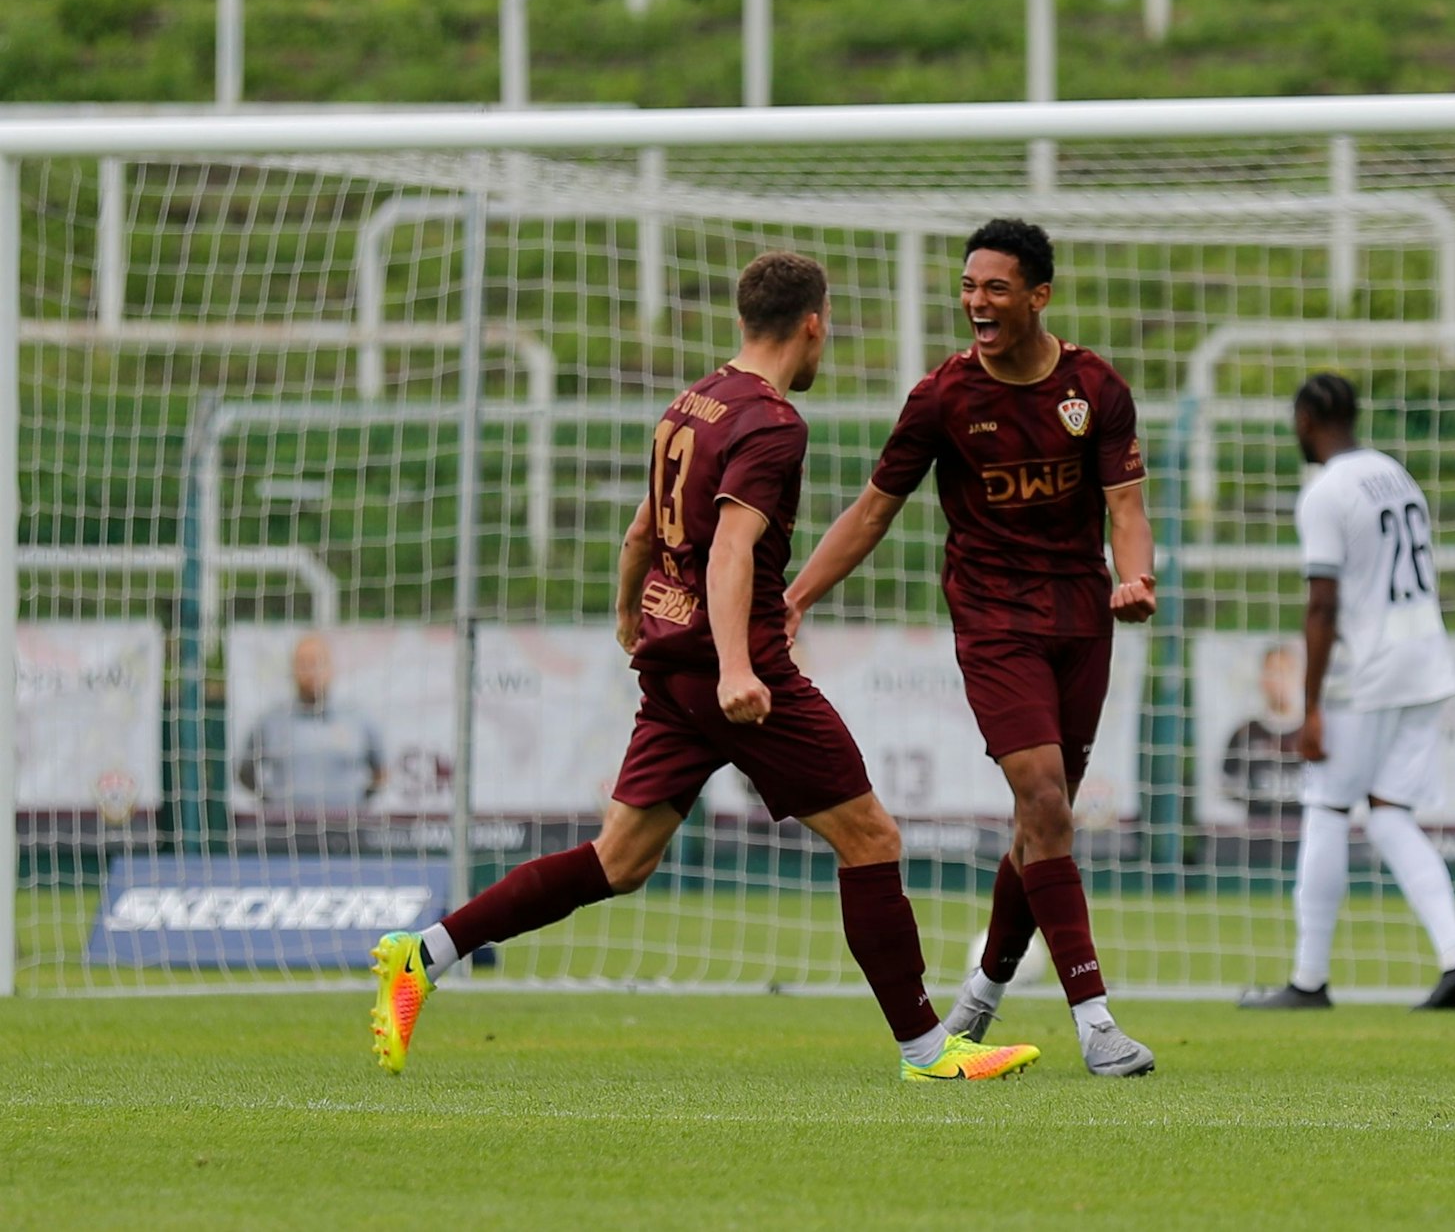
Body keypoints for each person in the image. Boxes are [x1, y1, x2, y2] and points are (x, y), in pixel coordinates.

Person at [369, 252, 1040, 1083]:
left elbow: (643, 529)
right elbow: (729, 549)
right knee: (871, 837)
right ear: (812, 324)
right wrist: (736, 668)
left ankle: (423, 953)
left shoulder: (690, 404)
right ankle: (928, 1049)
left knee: (619, 859)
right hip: (736, 670)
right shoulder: (772, 422)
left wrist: (628, 614)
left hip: (669, 657)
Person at [785, 219, 1157, 1077]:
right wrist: (795, 598)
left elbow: (1127, 510)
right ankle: (1097, 1022)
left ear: (1038, 296)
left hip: (1081, 622)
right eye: (968, 287)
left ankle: (980, 999)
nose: (976, 304)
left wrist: (1135, 579)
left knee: (1041, 821)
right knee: (1044, 796)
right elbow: (873, 511)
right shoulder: (943, 397)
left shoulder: (1094, 387)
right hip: (994, 622)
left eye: (995, 288)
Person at [1244, 373, 1455, 1012]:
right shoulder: (1394, 472)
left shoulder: (1325, 492)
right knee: (1387, 814)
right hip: (1425, 656)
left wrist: (1312, 705)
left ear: (1305, 419)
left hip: (1370, 669)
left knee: (1327, 806)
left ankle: (1308, 980)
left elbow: (1322, 604)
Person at [235, 632, 386, 815]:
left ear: (331, 668)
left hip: (347, 832)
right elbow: (245, 773)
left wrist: (358, 801)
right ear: (293, 670)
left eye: (317, 662)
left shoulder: (358, 718)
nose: (311, 671)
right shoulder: (271, 721)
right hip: (285, 834)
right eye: (303, 664)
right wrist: (271, 801)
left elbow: (382, 771)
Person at [1221, 642, 1306, 824]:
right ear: (1262, 679)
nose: (1280, 679)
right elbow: (1227, 785)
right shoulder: (1245, 733)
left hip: (1306, 834)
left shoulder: (1314, 732)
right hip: (1258, 837)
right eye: (1273, 671)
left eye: (1286, 671)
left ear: (1300, 677)